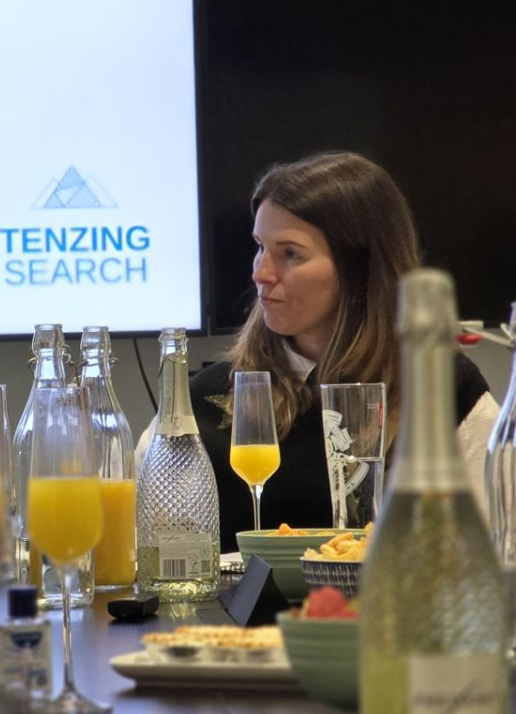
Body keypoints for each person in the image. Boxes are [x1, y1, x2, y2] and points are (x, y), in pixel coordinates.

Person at [189, 152, 499, 550]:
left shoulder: (444, 391)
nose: (260, 273)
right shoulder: (202, 402)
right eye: (259, 247)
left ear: (362, 268)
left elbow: (491, 552)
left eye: (290, 254)